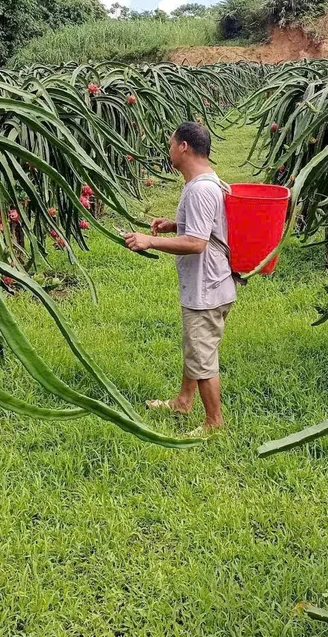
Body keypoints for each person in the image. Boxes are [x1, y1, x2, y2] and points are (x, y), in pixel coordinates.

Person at [123, 122, 236, 435]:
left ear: (184, 146)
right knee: (196, 347)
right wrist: (175, 225)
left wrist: (150, 241)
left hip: (206, 288)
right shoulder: (204, 181)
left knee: (202, 356)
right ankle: (184, 401)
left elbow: (197, 244)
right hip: (210, 283)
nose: (169, 149)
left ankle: (214, 423)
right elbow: (206, 228)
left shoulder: (200, 189)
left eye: (172, 144)